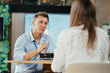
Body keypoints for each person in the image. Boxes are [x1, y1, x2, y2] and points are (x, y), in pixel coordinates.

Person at [51, 0, 110, 72]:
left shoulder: (65, 35)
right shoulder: (103, 35)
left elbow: (56, 68)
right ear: (93, 13)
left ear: (73, 14)